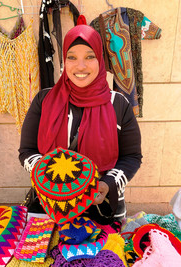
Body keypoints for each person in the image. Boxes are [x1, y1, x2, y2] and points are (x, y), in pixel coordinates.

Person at [19, 24, 142, 227]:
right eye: (72, 57)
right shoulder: (44, 100)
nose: (81, 66)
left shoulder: (118, 104)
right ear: (64, 62)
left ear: (100, 60)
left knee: (104, 257)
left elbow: (131, 157)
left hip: (101, 210)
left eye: (90, 56)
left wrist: (107, 184)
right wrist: (50, 182)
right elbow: (27, 151)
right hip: (49, 209)